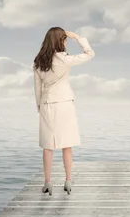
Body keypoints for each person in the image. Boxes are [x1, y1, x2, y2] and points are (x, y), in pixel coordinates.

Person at [32, 27, 95, 195]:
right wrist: (77, 37)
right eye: (65, 39)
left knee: (48, 146)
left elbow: (37, 90)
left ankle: (47, 183)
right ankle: (68, 180)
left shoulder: (38, 61)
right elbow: (90, 54)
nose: (66, 42)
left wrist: (40, 106)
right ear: (61, 41)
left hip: (47, 104)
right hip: (65, 103)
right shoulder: (64, 59)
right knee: (67, 144)